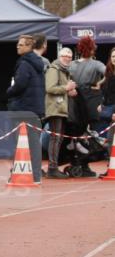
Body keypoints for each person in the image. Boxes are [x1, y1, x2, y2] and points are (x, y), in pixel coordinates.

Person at [5, 33, 46, 184]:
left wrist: (9, 91)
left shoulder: (24, 64)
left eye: (21, 44)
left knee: (20, 143)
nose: (18, 46)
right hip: (34, 109)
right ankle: (35, 176)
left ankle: (19, 174)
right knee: (34, 144)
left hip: (22, 108)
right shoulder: (38, 63)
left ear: (29, 46)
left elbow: (20, 84)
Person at [44, 47, 76, 179]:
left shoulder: (64, 71)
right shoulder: (54, 69)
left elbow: (59, 89)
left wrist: (70, 91)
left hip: (61, 109)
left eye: (69, 57)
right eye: (64, 56)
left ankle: (53, 167)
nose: (67, 59)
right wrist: (66, 88)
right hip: (55, 109)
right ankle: (52, 168)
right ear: (59, 57)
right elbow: (50, 88)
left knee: (58, 138)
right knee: (55, 138)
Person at [70, 35, 106, 127]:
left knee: (77, 129)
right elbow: (110, 74)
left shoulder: (71, 65)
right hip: (92, 101)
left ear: (80, 49)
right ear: (92, 49)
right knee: (95, 129)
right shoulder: (97, 64)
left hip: (76, 102)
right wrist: (100, 83)